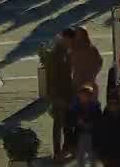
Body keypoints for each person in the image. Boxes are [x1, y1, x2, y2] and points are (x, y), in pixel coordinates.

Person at [45, 29, 77, 160]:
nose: (72, 44)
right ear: (65, 38)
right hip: (59, 95)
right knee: (58, 124)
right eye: (71, 41)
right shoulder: (56, 54)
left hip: (68, 94)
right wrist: (56, 97)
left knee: (68, 123)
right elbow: (51, 78)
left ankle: (68, 148)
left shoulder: (65, 52)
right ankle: (57, 152)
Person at [66, 83, 103, 166]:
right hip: (80, 134)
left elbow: (99, 121)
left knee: (92, 156)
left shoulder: (95, 107)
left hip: (92, 135)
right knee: (80, 156)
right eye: (82, 95)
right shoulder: (75, 107)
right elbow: (69, 121)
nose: (83, 97)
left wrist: (91, 124)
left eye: (86, 95)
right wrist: (77, 121)